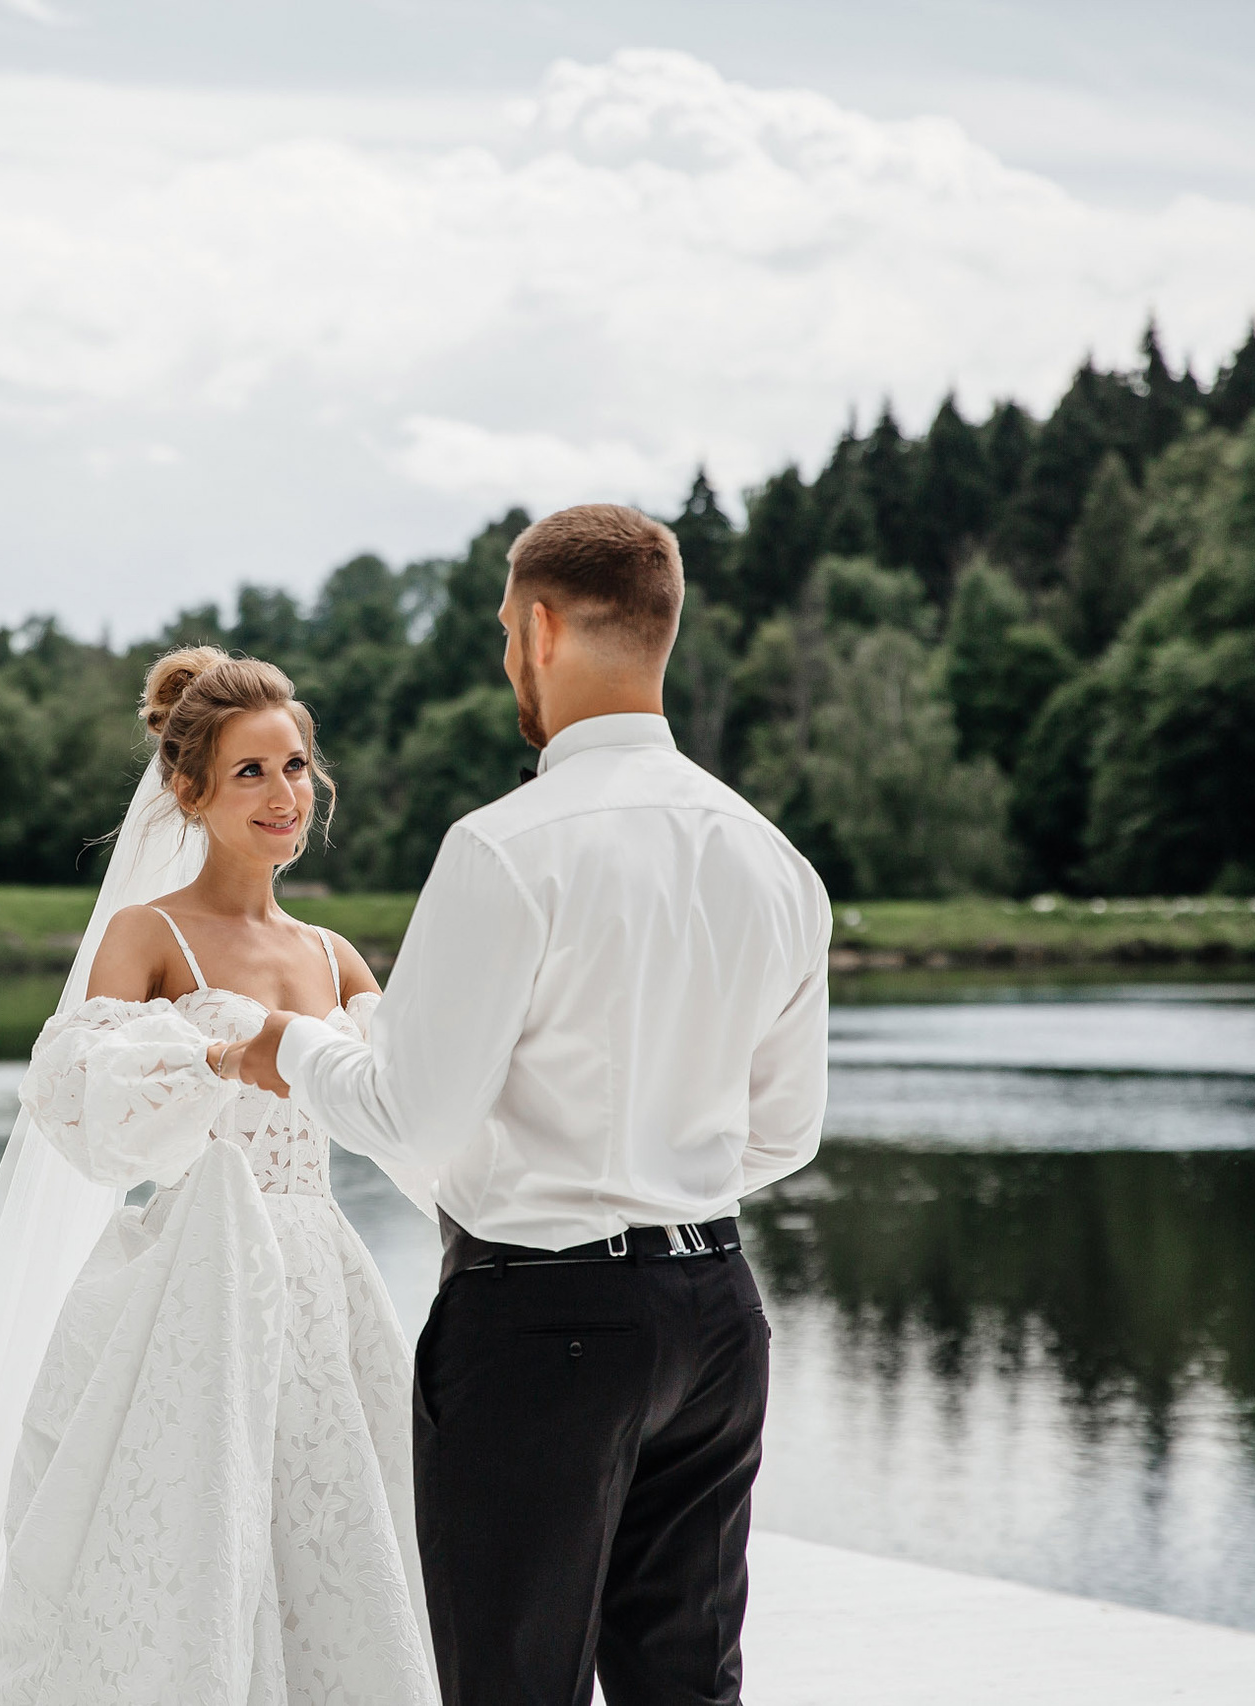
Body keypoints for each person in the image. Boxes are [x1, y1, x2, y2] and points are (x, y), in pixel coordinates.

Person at [239, 502, 832, 1706]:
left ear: (545, 628)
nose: (507, 654)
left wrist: (287, 1043)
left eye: (509, 629)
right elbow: (783, 1133)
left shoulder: (503, 848)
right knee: (689, 1688)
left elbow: (412, 1120)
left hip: (541, 1326)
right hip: (717, 1311)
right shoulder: (774, 857)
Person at [0, 647, 435, 1704]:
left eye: (298, 766)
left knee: (336, 1537)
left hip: (319, 1278)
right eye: (251, 772)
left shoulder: (333, 954)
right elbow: (76, 1094)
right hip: (195, 1271)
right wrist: (217, 1054)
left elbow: (416, 1120)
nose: (286, 796)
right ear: (188, 789)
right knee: (190, 1544)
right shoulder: (152, 933)